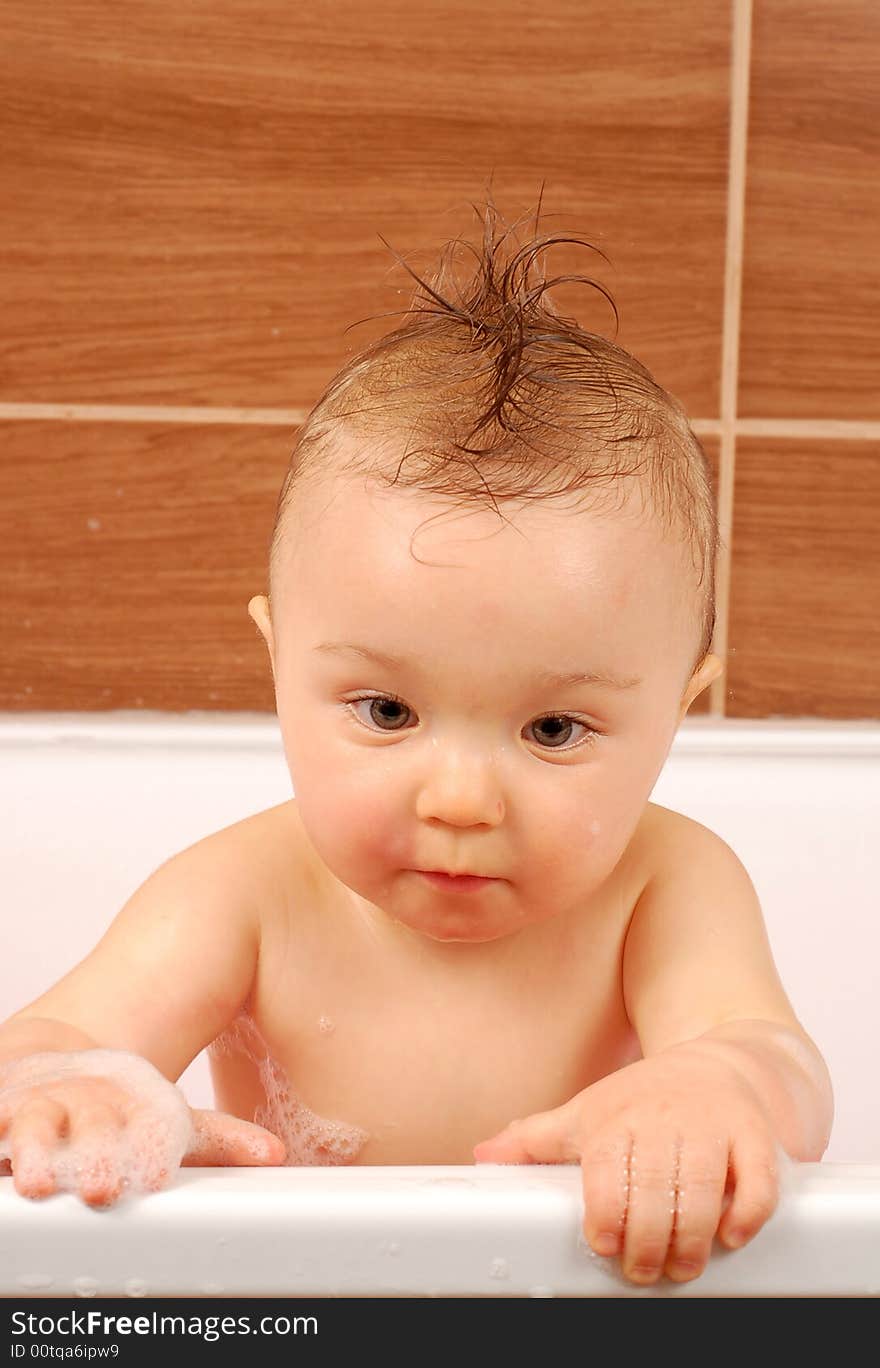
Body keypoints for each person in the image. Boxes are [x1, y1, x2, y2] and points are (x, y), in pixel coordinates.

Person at [0, 196, 833, 1287]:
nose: (459, 799)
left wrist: (715, 1085)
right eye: (386, 712)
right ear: (279, 660)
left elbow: (780, 1065)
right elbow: (50, 1035)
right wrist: (74, 1091)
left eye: (551, 727)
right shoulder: (245, 892)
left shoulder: (664, 887)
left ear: (677, 713)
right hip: (297, 1304)